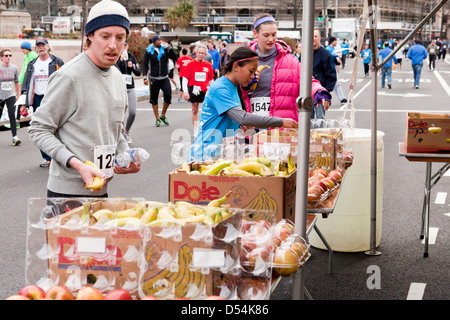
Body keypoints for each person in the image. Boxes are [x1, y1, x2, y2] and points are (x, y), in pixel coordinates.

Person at [28, 0, 140, 198]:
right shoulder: (69, 76)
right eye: (105, 36)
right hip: (66, 194)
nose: (113, 45)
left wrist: (126, 155)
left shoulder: (117, 77)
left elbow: (115, 130)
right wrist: (76, 164)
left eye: (120, 37)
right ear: (90, 36)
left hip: (102, 189)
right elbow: (39, 129)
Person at [190, 46, 298, 161]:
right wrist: (281, 122)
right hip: (202, 157)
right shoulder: (220, 88)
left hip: (218, 155)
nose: (253, 76)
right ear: (236, 66)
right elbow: (242, 117)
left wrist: (240, 125)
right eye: (251, 71)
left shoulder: (233, 87)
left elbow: (233, 117)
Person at [242, 14, 331, 124]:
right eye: (266, 35)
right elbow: (231, 91)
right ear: (255, 33)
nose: (271, 39)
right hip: (252, 126)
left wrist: (319, 91)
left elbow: (307, 81)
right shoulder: (243, 60)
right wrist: (244, 86)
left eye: (274, 35)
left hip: (282, 129)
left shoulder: (290, 60)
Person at [21, 37, 64, 168]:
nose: (41, 48)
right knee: (40, 128)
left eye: (43, 45)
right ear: (36, 48)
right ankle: (47, 157)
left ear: (48, 46)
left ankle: (60, 155)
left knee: (57, 128)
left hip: (53, 98)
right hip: (38, 99)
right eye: (38, 46)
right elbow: (27, 84)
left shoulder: (57, 61)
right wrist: (24, 103)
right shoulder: (32, 64)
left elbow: (66, 79)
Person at [142, 34, 177, 127]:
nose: (161, 41)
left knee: (168, 96)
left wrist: (169, 48)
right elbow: (145, 65)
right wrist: (144, 78)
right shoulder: (148, 51)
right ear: (154, 42)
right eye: (159, 40)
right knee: (154, 99)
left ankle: (163, 115)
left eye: (162, 40)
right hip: (154, 78)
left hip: (165, 77)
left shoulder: (165, 50)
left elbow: (175, 57)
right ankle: (157, 118)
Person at [182, 44, 215, 136]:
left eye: (202, 53)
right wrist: (185, 91)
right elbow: (185, 79)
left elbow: (211, 80)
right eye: (199, 52)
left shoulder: (208, 65)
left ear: (205, 55)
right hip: (194, 88)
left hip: (205, 89)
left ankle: (205, 128)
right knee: (194, 110)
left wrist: (212, 92)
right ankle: (196, 129)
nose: (200, 54)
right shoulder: (190, 64)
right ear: (196, 53)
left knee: (207, 109)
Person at [115, 41, 141, 143]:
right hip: (119, 88)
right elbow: (113, 69)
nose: (124, 47)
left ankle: (126, 131)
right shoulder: (116, 56)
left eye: (125, 45)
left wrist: (132, 67)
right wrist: (120, 60)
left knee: (132, 112)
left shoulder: (131, 56)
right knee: (120, 113)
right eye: (122, 45)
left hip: (130, 86)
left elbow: (138, 72)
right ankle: (120, 135)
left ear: (127, 46)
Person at [312, 29, 337, 120]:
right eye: (311, 36)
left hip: (320, 93)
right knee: (306, 121)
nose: (313, 39)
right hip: (307, 93)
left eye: (315, 36)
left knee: (320, 120)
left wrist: (326, 93)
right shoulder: (305, 53)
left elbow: (331, 75)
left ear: (319, 38)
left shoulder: (326, 54)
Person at [0, 48, 21, 146]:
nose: (8, 57)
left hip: (11, 95)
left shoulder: (14, 68)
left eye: (10, 55)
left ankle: (15, 137)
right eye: (6, 55)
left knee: (12, 115)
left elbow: (16, 82)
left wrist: (18, 94)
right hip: (0, 96)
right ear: (1, 57)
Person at [326, 36, 347, 104]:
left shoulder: (333, 49)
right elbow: (328, 58)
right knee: (331, 84)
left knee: (337, 84)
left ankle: (342, 98)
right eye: (335, 41)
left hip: (333, 68)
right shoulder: (328, 49)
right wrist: (335, 57)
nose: (336, 42)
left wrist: (337, 63)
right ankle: (325, 98)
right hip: (329, 69)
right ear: (333, 41)